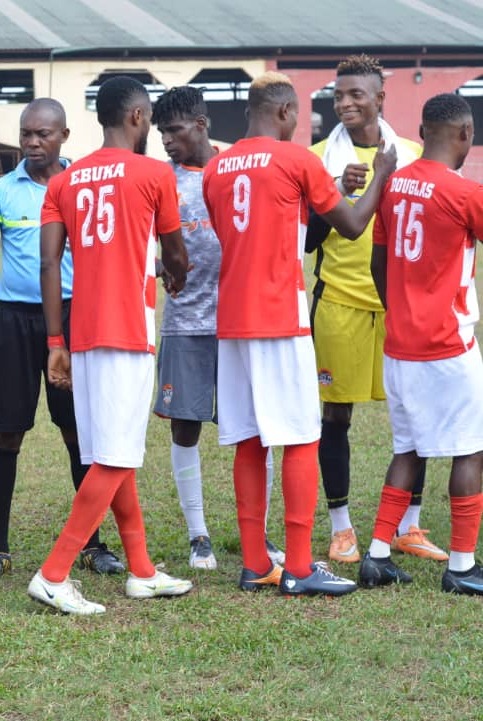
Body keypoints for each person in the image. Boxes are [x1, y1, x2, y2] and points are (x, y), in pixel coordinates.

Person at [202, 72, 396, 597]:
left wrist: (332, 194)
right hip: (280, 317)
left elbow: (266, 226)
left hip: (233, 321)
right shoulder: (298, 159)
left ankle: (254, 562)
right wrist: (380, 176)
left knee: (247, 438)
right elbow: (354, 226)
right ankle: (302, 566)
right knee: (302, 436)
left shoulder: (216, 167)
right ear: (286, 112)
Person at [27, 76, 194, 616]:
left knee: (110, 453)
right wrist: (177, 276)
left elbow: (49, 263)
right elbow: (176, 252)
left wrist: (56, 341)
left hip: (82, 331)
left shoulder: (65, 181)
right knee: (117, 456)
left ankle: (141, 571)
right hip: (128, 328)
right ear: (139, 117)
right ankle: (54, 573)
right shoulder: (153, 173)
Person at [0, 97, 126, 583]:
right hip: (15, 321)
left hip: (76, 317)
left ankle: (93, 544)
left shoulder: (82, 186)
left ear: (63, 137)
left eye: (43, 134)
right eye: (26, 134)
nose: (33, 143)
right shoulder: (1, 191)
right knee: (7, 432)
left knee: (79, 434)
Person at [308, 54, 445, 564]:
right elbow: (307, 240)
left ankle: (409, 524)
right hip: (339, 303)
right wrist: (336, 193)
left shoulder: (411, 155)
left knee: (415, 415)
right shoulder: (319, 157)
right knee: (335, 417)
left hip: (398, 308)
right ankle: (341, 528)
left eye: (355, 95)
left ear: (380, 99)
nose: (344, 103)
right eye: (338, 95)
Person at [151, 86, 285, 571]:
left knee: (256, 429)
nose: (167, 140)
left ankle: (261, 535)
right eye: (161, 131)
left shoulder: (235, 168)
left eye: (176, 129)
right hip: (185, 322)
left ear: (202, 125)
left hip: (240, 321)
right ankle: (198, 534)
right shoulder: (162, 180)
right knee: (186, 426)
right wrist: (160, 268)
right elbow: (148, 245)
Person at [359, 93, 483, 594]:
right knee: (471, 450)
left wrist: (404, 312)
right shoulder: (465, 192)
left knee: (407, 448)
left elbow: (377, 264)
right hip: (448, 345)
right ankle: (460, 566)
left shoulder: (393, 185)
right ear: (465, 136)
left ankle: (377, 556)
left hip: (400, 343)